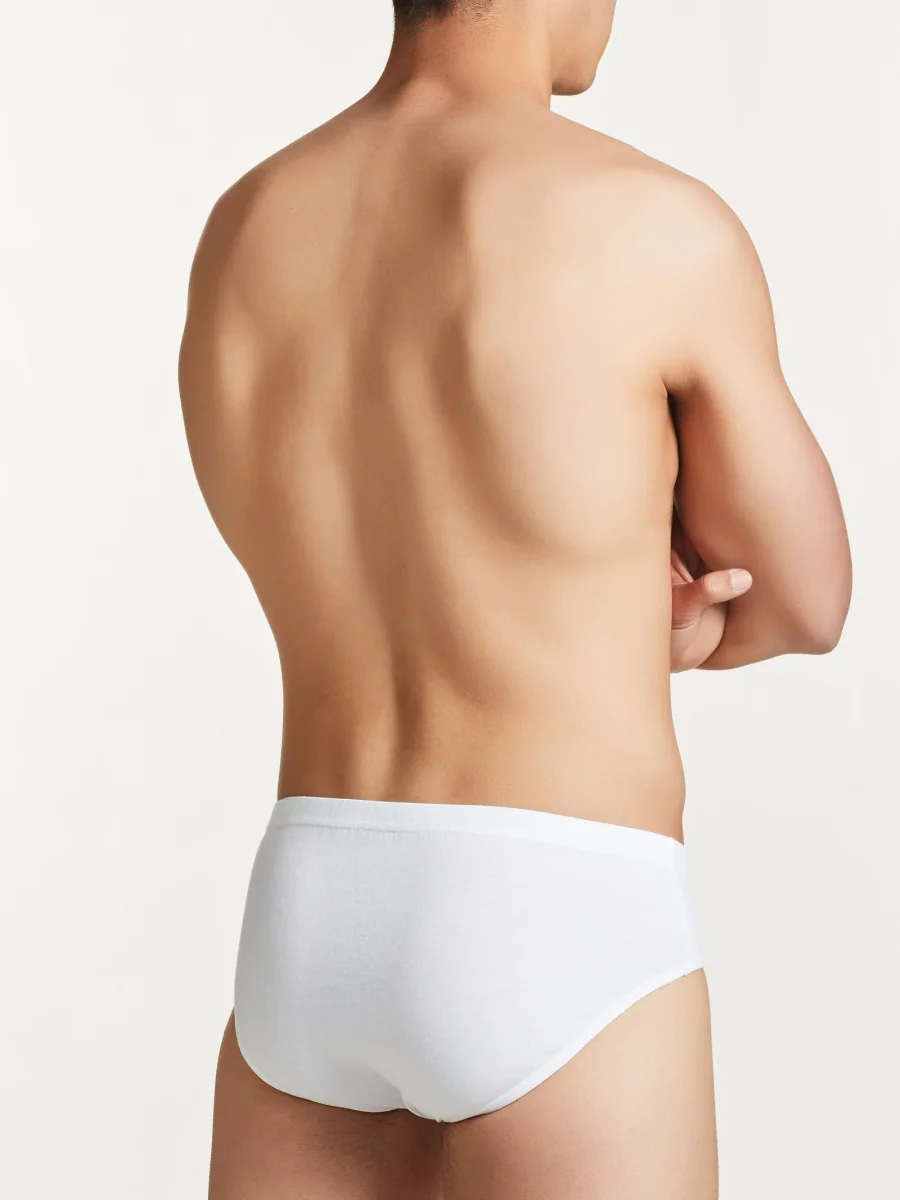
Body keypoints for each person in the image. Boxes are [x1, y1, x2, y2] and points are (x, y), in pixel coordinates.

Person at [178, 1, 852, 1196]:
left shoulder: (247, 223)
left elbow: (357, 540)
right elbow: (808, 599)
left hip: (308, 911)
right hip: (553, 904)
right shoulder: (648, 220)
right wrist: (654, 623)